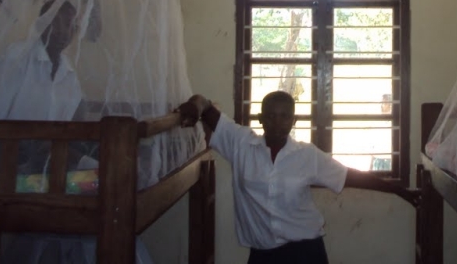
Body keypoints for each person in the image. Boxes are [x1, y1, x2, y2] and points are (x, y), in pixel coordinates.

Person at [177, 90, 420, 264]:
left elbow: (350, 176)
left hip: (306, 252)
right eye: (270, 116)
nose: (277, 123)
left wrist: (400, 191)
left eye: (285, 116)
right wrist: (194, 106)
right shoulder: (240, 143)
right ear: (260, 118)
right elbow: (204, 105)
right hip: (262, 254)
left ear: (293, 121)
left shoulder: (306, 155)